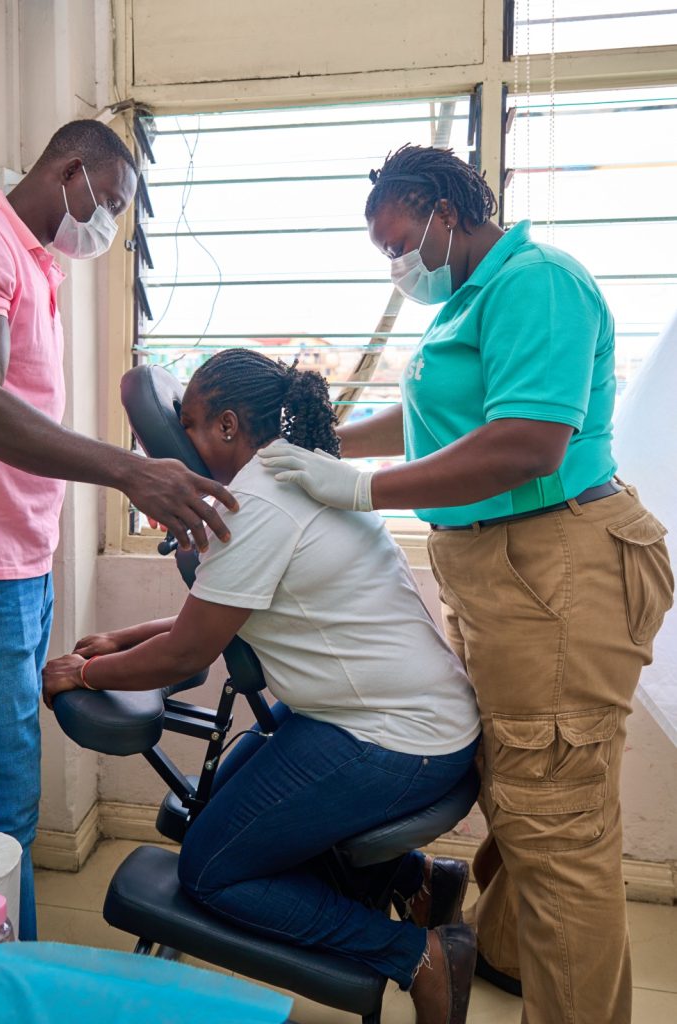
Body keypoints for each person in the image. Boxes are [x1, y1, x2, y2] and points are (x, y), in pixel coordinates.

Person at [258, 145, 675, 1024]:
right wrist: (316, 453)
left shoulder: (537, 281)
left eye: (395, 241)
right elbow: (430, 419)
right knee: (523, 790)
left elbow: (526, 442)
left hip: (555, 565)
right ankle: (514, 959)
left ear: (440, 207)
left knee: (557, 822)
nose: (395, 264)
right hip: (505, 572)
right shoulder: (472, 301)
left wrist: (360, 488)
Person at [43, 348, 482, 1024]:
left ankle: (416, 955)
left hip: (394, 740)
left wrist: (86, 672)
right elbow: (245, 600)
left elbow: (190, 648)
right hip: (395, 718)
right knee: (217, 812)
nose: (176, 445)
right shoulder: (298, 475)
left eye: (187, 425)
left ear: (225, 426)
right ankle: (418, 880)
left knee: (211, 870)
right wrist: (126, 638)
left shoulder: (257, 503)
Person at [0, 119, 236, 941]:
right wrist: (129, 469)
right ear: (70, 171)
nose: (103, 226)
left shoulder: (35, 263)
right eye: (105, 203)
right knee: (6, 797)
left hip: (12, 556)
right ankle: (15, 984)